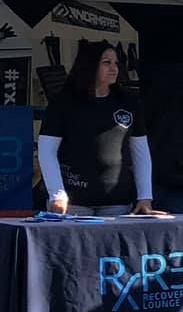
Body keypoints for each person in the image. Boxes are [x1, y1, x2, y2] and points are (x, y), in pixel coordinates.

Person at [37, 40, 159, 216]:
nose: (114, 68)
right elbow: (47, 150)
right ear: (89, 65)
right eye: (106, 62)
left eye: (116, 63)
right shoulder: (63, 103)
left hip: (117, 201)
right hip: (73, 201)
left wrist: (145, 197)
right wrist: (57, 193)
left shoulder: (129, 103)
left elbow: (141, 153)